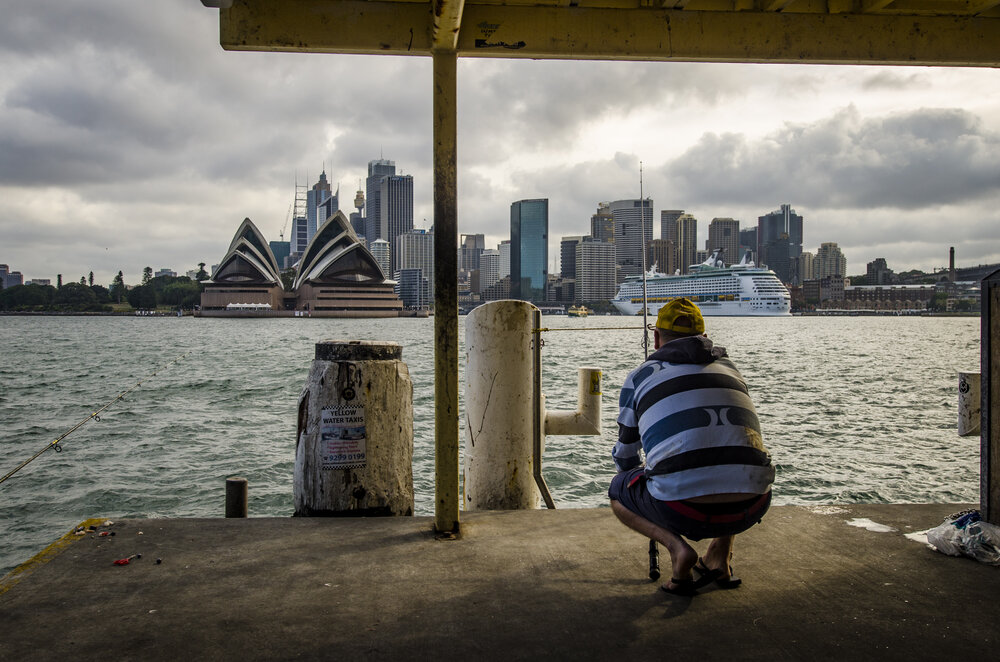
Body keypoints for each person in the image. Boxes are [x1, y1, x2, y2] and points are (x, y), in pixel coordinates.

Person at [608, 297, 775, 596]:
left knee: (618, 490)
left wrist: (638, 476)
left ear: (656, 338)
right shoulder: (731, 369)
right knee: (733, 458)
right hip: (753, 503)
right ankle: (720, 559)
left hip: (682, 511)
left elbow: (625, 453)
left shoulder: (640, 376)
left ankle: (677, 550)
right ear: (705, 338)